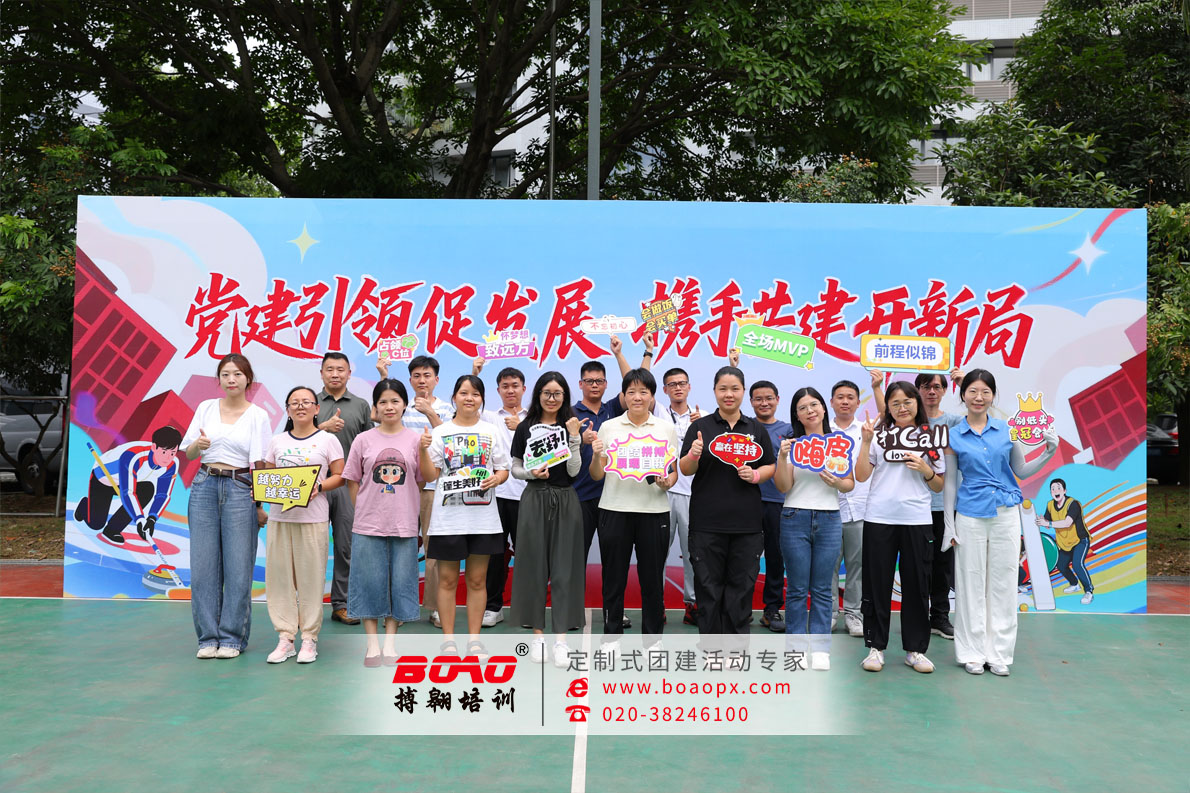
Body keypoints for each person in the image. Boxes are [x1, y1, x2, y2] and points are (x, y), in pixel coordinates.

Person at [942, 369, 1059, 676]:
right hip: (970, 513)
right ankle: (972, 652)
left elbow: (1021, 469)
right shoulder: (954, 435)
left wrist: (1048, 452)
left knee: (1004, 582)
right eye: (972, 391)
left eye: (985, 392)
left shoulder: (1006, 430)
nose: (979, 397)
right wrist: (949, 525)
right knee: (970, 583)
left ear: (993, 396)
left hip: (1006, 512)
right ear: (963, 395)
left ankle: (999, 654)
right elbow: (950, 483)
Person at [182, 353, 272, 660]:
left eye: (237, 374)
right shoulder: (205, 408)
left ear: (248, 379)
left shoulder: (258, 415)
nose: (231, 379)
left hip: (240, 487)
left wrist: (259, 505)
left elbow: (260, 463)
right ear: (219, 379)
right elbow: (189, 452)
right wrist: (198, 446)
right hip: (204, 484)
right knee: (203, 568)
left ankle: (232, 638)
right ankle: (207, 638)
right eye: (225, 374)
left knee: (238, 568)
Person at [855, 381, 945, 674]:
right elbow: (860, 475)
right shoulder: (878, 436)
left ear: (917, 404)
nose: (902, 408)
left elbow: (938, 485)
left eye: (907, 402)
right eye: (895, 403)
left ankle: (915, 650)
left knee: (917, 584)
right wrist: (866, 441)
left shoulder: (930, 438)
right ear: (888, 408)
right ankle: (875, 647)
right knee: (877, 583)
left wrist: (926, 470)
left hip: (916, 519)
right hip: (879, 518)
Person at [418, 375, 510, 656]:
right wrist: (422, 450)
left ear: (482, 399)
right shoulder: (441, 432)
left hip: (483, 520)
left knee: (477, 581)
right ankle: (448, 641)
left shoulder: (491, 431)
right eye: (464, 393)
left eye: (475, 394)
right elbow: (430, 475)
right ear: (454, 397)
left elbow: (503, 468)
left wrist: (497, 479)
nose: (470, 398)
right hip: (448, 520)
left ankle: (474, 640)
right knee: (447, 580)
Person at [679, 366, 776, 634]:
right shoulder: (700, 427)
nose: (729, 394)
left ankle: (735, 650)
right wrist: (694, 454)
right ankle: (711, 649)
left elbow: (770, 465)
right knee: (708, 590)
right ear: (714, 391)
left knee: (741, 590)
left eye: (735, 389)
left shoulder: (755, 428)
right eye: (723, 389)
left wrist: (756, 475)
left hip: (747, 525)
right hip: (706, 524)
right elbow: (685, 469)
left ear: (743, 392)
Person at [591, 368, 679, 653]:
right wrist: (596, 455)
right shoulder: (609, 427)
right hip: (614, 508)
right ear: (624, 396)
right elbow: (597, 475)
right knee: (613, 578)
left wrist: (667, 482)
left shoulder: (665, 428)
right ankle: (611, 637)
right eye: (631, 392)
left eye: (644, 392)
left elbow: (673, 472)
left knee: (652, 580)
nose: (637, 397)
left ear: (652, 396)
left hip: (654, 511)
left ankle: (653, 640)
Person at [342, 379, 425, 667]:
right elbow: (352, 480)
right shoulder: (363, 439)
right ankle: (372, 645)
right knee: (368, 583)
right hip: (368, 526)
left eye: (395, 401)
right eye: (383, 402)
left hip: (404, 524)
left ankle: (390, 643)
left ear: (405, 404)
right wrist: (365, 509)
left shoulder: (416, 440)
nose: (389, 407)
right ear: (375, 407)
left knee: (399, 585)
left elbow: (422, 479)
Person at [572, 334, 652, 628]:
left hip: (612, 498)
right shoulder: (571, 414)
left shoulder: (614, 409)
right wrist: (577, 437)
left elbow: (638, 383)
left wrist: (625, 353)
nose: (594, 385)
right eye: (589, 381)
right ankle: (572, 611)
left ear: (606, 384)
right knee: (575, 559)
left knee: (613, 562)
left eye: (599, 381)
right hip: (579, 497)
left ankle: (614, 612)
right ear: (580, 383)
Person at [773, 387, 855, 671]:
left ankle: (820, 649)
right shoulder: (792, 445)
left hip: (830, 518)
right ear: (796, 415)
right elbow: (783, 487)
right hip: (794, 516)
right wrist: (782, 458)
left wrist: (836, 482)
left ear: (823, 408)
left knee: (822, 588)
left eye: (814, 405)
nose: (810, 411)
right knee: (797, 588)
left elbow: (849, 483)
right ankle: (795, 648)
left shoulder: (837, 443)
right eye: (802, 407)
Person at [263, 386, 345, 665]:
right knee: (280, 579)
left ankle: (309, 638)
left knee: (311, 579)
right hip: (280, 519)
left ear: (316, 408)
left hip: (313, 519)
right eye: (294, 403)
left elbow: (340, 475)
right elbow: (268, 476)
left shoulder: (328, 440)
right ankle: (285, 638)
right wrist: (262, 491)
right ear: (287, 410)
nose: (300, 406)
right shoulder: (277, 441)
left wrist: (318, 487)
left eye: (306, 402)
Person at [508, 372, 584, 666]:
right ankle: (538, 637)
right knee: (533, 568)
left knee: (564, 571)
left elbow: (574, 471)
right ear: (538, 394)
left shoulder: (570, 426)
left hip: (565, 500)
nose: (552, 399)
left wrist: (575, 438)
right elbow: (515, 468)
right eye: (547, 393)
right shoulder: (525, 427)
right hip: (534, 499)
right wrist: (531, 473)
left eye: (557, 394)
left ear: (565, 396)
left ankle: (561, 640)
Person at [380, 354, 453, 627]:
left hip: (435, 488)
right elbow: (384, 427)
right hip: (401, 488)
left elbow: (451, 442)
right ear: (410, 380)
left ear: (436, 379)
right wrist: (384, 377)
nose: (422, 380)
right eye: (417, 376)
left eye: (427, 376)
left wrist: (430, 413)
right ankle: (399, 608)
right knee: (401, 549)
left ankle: (434, 607)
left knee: (435, 550)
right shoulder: (400, 407)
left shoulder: (446, 409)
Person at [314, 352, 374, 627]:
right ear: (321, 373)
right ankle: (308, 607)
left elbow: (370, 444)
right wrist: (321, 428)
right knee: (310, 546)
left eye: (341, 369)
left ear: (349, 373)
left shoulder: (361, 405)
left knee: (345, 547)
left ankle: (342, 604)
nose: (335, 374)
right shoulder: (309, 403)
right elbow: (291, 438)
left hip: (348, 485)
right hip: (313, 485)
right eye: (330, 369)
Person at [828, 373, 885, 638]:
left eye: (850, 397)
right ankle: (829, 613)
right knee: (827, 566)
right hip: (829, 509)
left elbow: (889, 418)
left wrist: (877, 387)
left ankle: (854, 614)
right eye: (840, 397)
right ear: (831, 402)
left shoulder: (867, 429)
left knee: (857, 566)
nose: (845, 401)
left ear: (857, 402)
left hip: (860, 508)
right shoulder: (822, 431)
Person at [473, 359, 528, 627]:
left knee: (526, 554)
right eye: (505, 386)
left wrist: (522, 428)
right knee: (495, 554)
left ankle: (526, 607)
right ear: (498, 391)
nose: (510, 390)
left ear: (524, 388)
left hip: (526, 495)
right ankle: (493, 607)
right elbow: (468, 403)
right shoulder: (488, 417)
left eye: (515, 385)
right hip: (495, 495)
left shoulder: (534, 418)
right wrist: (475, 373)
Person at [916, 369, 965, 641]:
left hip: (946, 506)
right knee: (918, 565)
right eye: (926, 386)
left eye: (936, 386)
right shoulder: (909, 422)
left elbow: (985, 418)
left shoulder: (954, 422)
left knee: (943, 565)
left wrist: (964, 383)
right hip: (915, 507)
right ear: (918, 390)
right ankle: (917, 617)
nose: (931, 391)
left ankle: (940, 617)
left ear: (945, 390)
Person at [75, 426, 182, 544]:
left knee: (147, 489)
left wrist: (152, 519)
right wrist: (140, 520)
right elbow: (128, 493)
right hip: (104, 479)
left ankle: (112, 529)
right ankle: (84, 505)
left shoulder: (173, 464)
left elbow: (163, 494)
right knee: (95, 524)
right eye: (164, 452)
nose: (168, 457)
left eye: (173, 453)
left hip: (127, 482)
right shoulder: (134, 456)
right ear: (154, 447)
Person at [747, 375, 793, 632]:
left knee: (776, 558)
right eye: (758, 399)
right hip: (746, 501)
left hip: (778, 501)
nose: (764, 403)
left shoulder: (789, 430)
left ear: (777, 400)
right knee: (745, 558)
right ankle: (741, 608)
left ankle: (772, 609)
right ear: (751, 402)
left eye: (768, 398)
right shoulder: (743, 427)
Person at [658, 367, 701, 625]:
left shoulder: (703, 416)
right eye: (672, 384)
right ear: (664, 389)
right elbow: (638, 382)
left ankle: (692, 605)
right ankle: (656, 605)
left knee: (693, 554)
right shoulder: (658, 413)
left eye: (682, 383)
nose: (677, 387)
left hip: (692, 495)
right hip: (661, 492)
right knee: (657, 553)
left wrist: (702, 425)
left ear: (689, 386)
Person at [1036, 479, 1095, 605]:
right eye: (1052, 489)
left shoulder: (1073, 504)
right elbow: (1048, 522)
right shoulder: (1050, 505)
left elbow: (1067, 523)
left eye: (1058, 488)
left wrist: (1048, 523)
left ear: (1064, 491)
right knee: (1061, 565)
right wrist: (1041, 521)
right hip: (1064, 543)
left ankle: (1089, 591)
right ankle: (1074, 584)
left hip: (1079, 540)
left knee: (1077, 565)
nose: (1055, 491)